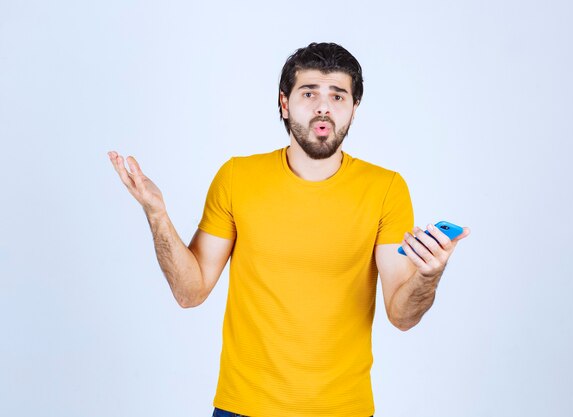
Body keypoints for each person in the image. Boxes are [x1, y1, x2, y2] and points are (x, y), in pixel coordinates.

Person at [108, 42, 469, 417]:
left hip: (344, 410)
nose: (323, 106)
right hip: (243, 408)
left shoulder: (386, 189)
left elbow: (402, 315)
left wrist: (429, 274)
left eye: (338, 96)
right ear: (284, 103)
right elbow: (189, 291)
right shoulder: (237, 178)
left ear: (354, 109)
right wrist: (156, 214)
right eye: (309, 92)